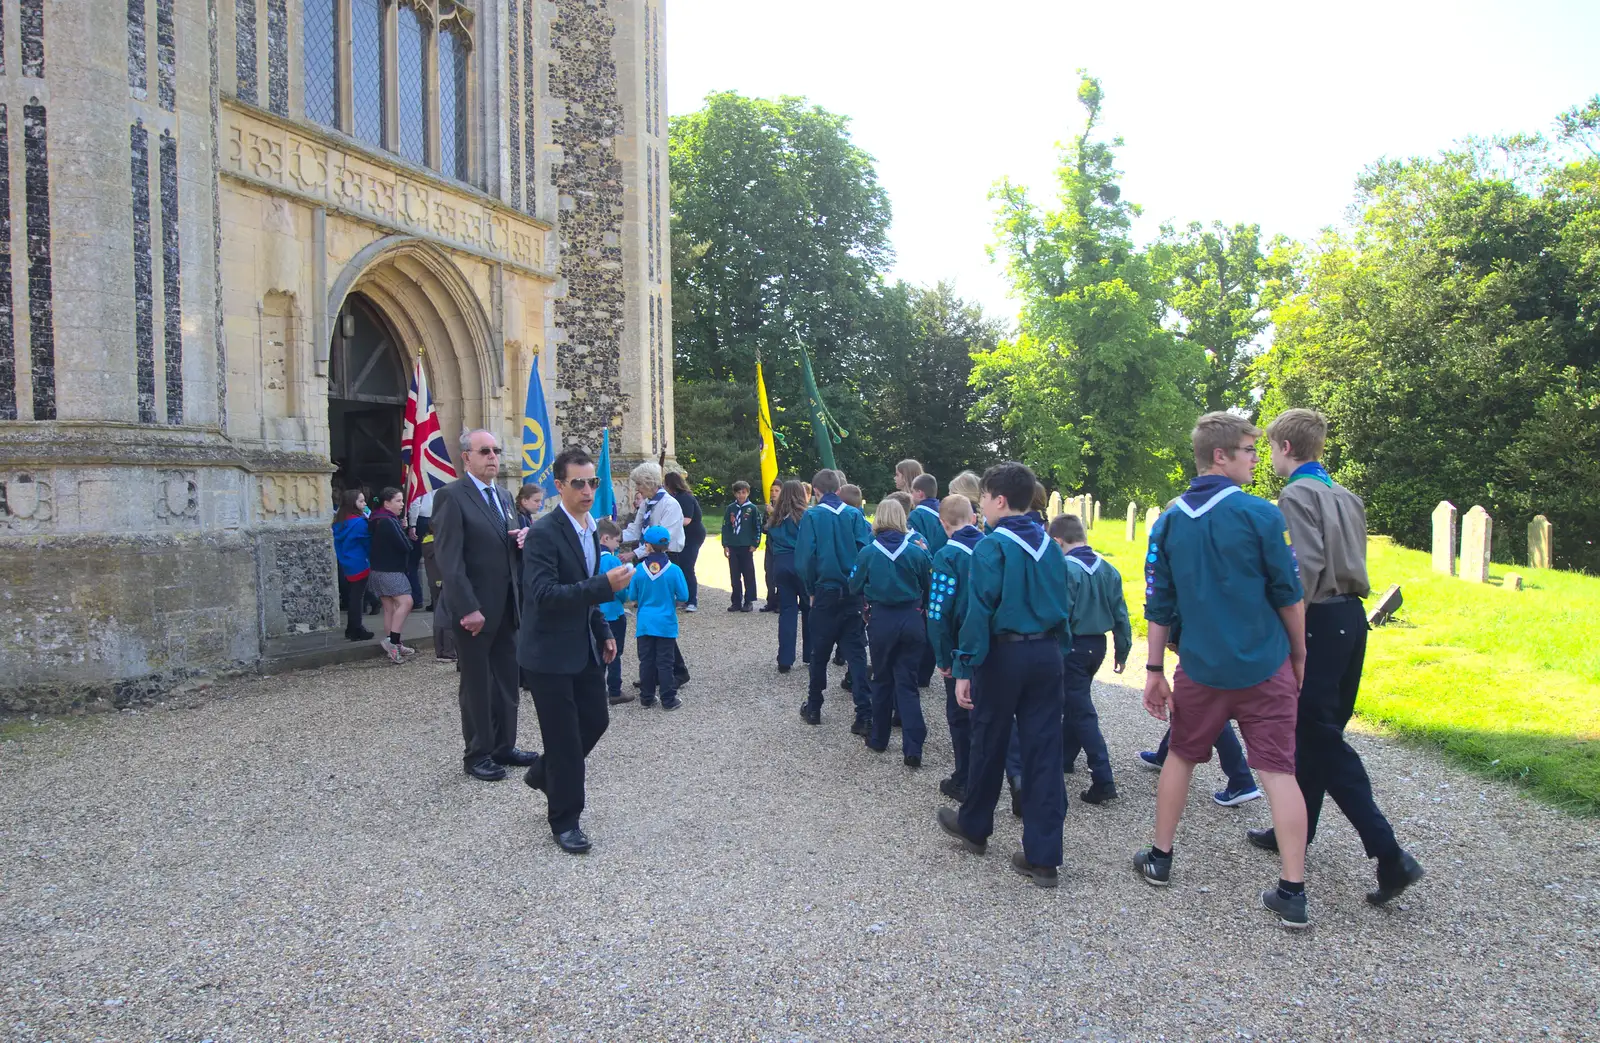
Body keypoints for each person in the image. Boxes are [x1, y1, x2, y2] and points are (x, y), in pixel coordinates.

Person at [1136, 412, 1312, 928]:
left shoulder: (1168, 521)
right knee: (1279, 771)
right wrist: (1298, 656)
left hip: (1202, 669)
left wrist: (1153, 669)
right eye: (1248, 450)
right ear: (1221, 456)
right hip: (1264, 665)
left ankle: (1160, 858)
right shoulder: (1262, 516)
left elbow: (1158, 602)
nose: (1257, 459)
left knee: (1182, 757)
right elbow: (1289, 595)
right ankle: (1292, 890)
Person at [1245, 408, 1425, 906]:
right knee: (1318, 733)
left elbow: (1302, 570)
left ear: (1284, 448)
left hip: (1319, 621)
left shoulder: (1295, 495)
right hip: (1352, 621)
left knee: (1318, 737)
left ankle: (1390, 855)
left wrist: (1289, 635)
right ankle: (1299, 832)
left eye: (1270, 449)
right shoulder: (1345, 496)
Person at [935, 462, 1071, 889]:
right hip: (1047, 652)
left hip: (1002, 655)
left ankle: (975, 827)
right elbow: (1064, 603)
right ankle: (1043, 855)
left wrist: (964, 667)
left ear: (998, 500)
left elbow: (979, 611)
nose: (981, 511)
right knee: (1044, 751)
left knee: (989, 740)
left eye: (983, 502)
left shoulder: (991, 548)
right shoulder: (1051, 546)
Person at [518, 448, 636, 854]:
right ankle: (565, 819)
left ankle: (543, 772)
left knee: (596, 720)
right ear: (560, 485)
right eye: (579, 483)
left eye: (593, 482)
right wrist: (606, 587)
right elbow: (544, 595)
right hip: (548, 653)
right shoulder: (544, 533)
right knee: (565, 738)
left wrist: (602, 628)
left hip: (582, 644)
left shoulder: (590, 529)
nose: (588, 490)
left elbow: (582, 593)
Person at [432, 429, 536, 782]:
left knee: (507, 680)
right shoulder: (451, 497)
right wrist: (467, 608)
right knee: (477, 685)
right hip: (474, 612)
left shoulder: (505, 496)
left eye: (496, 450)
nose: (493, 456)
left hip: (508, 607)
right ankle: (477, 753)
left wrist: (521, 542)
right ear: (466, 458)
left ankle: (504, 745)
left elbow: (503, 548)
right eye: (484, 451)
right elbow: (449, 560)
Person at [1051, 512, 1128, 805]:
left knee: (1082, 710)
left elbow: (1061, 615)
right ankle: (1065, 757)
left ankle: (1103, 778)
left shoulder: (1066, 570)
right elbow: (1121, 614)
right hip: (1099, 645)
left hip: (1073, 646)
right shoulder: (1109, 569)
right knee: (1076, 699)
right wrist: (1123, 650)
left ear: (1058, 541)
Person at [850, 499, 933, 766]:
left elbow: (853, 585)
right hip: (911, 619)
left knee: (883, 680)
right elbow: (927, 585)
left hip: (882, 619)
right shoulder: (916, 552)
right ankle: (913, 747)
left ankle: (879, 737)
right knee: (907, 683)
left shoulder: (868, 552)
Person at [795, 468, 872, 731]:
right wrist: (858, 585)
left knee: (819, 652)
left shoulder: (813, 516)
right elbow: (865, 553)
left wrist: (810, 589)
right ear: (839, 490)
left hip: (825, 590)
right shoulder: (854, 515)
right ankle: (864, 713)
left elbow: (805, 557)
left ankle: (814, 706)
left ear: (816, 492)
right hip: (851, 593)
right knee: (856, 654)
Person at [927, 494, 985, 801]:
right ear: (974, 517)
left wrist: (942, 654)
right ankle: (1015, 778)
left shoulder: (946, 556)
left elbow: (939, 611)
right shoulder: (992, 548)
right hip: (996, 645)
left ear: (942, 523)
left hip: (961, 648)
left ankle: (964, 776)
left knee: (960, 714)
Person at [622, 461, 688, 685]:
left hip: (666, 557)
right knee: (653, 616)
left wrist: (635, 555)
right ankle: (653, 674)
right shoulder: (647, 504)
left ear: (649, 482)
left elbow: (662, 540)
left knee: (661, 614)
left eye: (639, 484)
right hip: (649, 556)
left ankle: (675, 672)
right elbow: (635, 529)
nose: (637, 489)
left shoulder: (670, 505)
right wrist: (611, 536)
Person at [624, 525, 690, 709]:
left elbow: (633, 596)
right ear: (667, 546)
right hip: (666, 623)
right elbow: (684, 596)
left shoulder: (638, 570)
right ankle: (668, 699)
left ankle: (647, 697)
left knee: (646, 661)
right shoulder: (674, 570)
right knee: (665, 662)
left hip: (645, 622)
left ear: (647, 546)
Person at [765, 479, 812, 673]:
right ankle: (810, 653)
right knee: (809, 609)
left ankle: (785, 658)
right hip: (801, 563)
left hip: (781, 563)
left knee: (787, 611)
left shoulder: (775, 517)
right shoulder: (805, 516)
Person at [367, 487, 418, 663]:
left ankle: (395, 646)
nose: (402, 504)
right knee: (406, 602)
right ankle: (393, 642)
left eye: (402, 500)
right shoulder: (388, 521)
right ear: (386, 503)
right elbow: (406, 546)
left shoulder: (377, 518)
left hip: (377, 569)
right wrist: (403, 531)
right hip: (391, 570)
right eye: (398, 501)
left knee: (390, 608)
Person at [908, 473, 945, 688]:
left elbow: (917, 546)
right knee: (935, 620)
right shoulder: (944, 511)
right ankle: (927, 673)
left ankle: (919, 671)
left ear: (920, 493)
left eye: (913, 492)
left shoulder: (917, 516)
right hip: (944, 573)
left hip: (927, 572)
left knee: (922, 621)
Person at [416, 489, 458, 661]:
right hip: (442, 581)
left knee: (440, 618)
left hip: (437, 581)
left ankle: (442, 649)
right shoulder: (436, 543)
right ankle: (447, 651)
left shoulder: (429, 541)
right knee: (446, 619)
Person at [596, 519, 633, 706]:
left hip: (595, 611)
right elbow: (620, 588)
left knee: (597, 652)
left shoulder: (590, 556)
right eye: (617, 541)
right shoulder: (611, 560)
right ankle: (615, 690)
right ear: (606, 538)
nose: (618, 546)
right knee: (614, 651)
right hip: (612, 611)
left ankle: (596, 689)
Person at [332, 490, 373, 642]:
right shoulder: (359, 522)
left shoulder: (339, 521)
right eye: (361, 501)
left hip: (347, 563)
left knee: (353, 597)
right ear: (352, 503)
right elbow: (367, 543)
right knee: (357, 598)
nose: (365, 504)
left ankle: (351, 628)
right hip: (360, 562)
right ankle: (356, 628)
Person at [663, 470, 705, 612]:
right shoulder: (675, 498)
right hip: (682, 536)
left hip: (692, 536)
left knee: (687, 567)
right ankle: (683, 598)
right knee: (679, 567)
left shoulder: (685, 498)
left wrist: (667, 524)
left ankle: (692, 600)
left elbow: (686, 520)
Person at [722, 480, 764, 612]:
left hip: (746, 547)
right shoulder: (731, 508)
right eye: (739, 493)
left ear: (748, 493)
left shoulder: (752, 509)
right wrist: (725, 544)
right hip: (733, 546)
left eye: (744, 492)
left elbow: (757, 527)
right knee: (734, 575)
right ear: (735, 494)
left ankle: (749, 601)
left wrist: (755, 544)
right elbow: (726, 527)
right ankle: (736, 601)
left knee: (748, 574)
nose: (741, 495)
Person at [760, 478, 784, 612]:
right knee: (769, 573)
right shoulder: (768, 506)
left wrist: (773, 513)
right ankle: (771, 601)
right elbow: (764, 528)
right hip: (770, 545)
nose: (773, 493)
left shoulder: (785, 507)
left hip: (781, 546)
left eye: (776, 490)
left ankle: (781, 602)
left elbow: (784, 524)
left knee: (780, 574)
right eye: (771, 490)